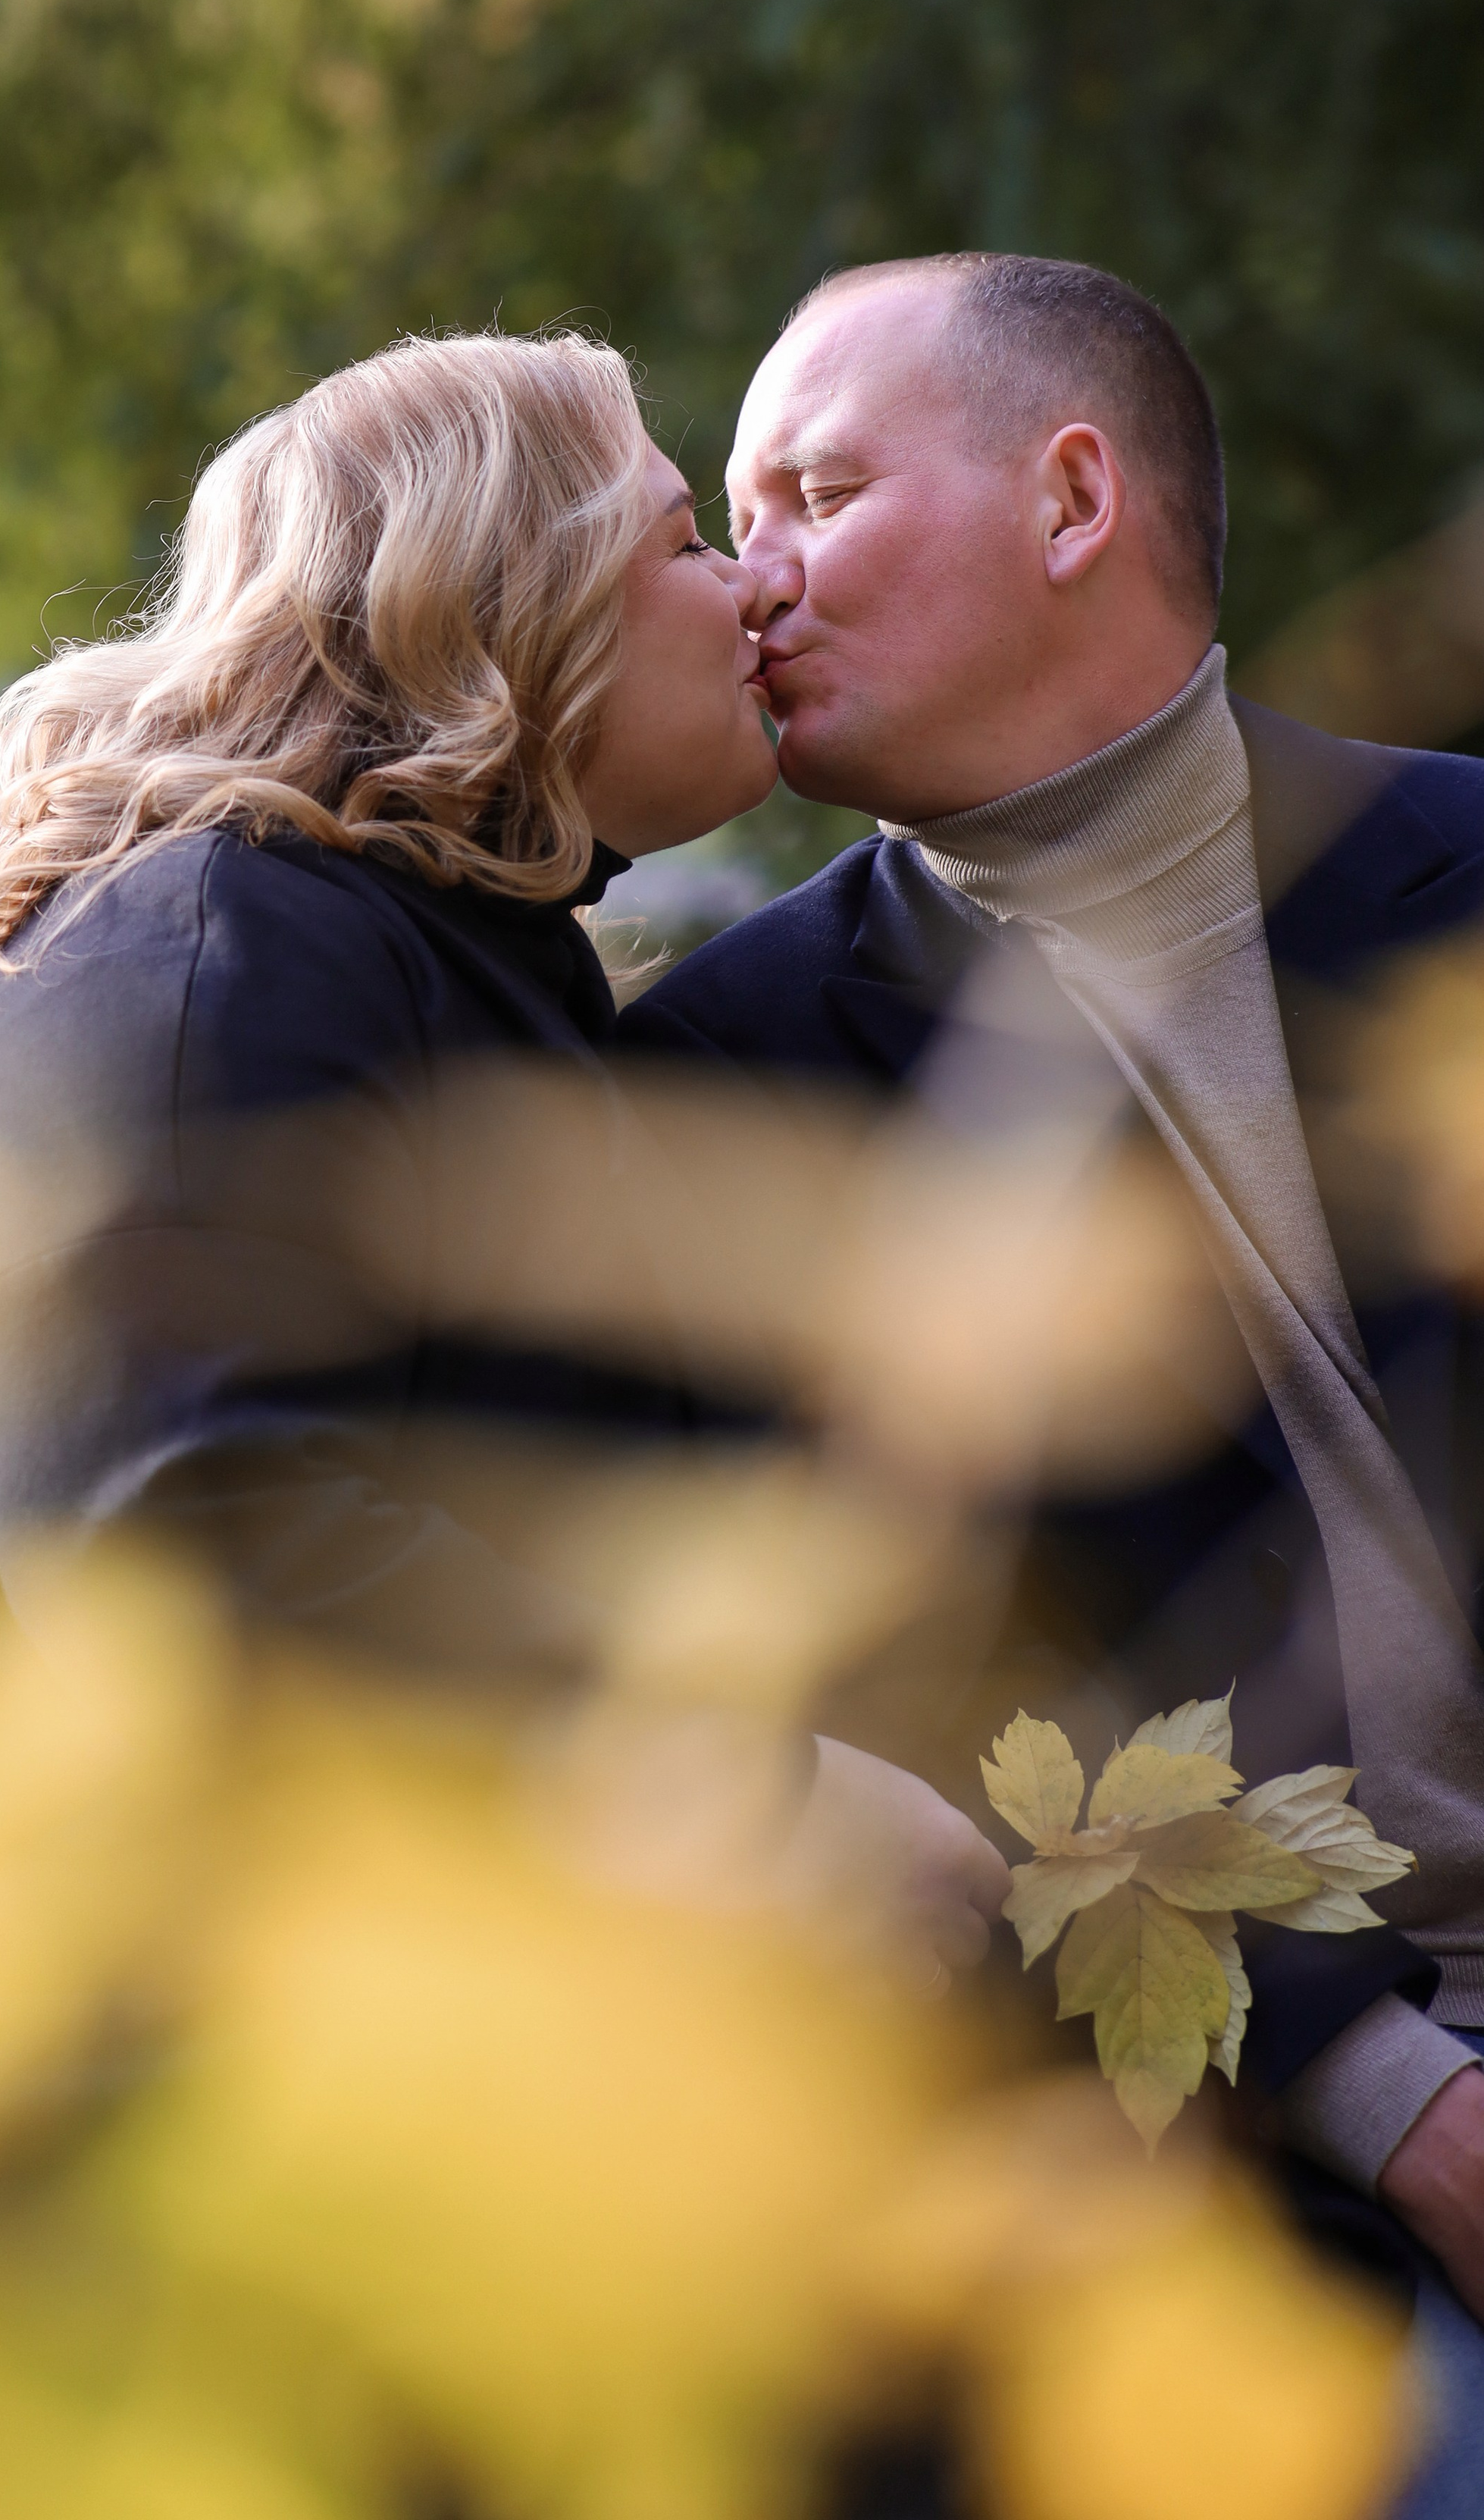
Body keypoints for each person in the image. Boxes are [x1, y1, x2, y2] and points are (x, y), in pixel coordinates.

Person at [0, 328, 1006, 2515]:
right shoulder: (223, 938)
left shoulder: (423, 966)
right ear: (501, 598)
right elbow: (190, 1525)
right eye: (688, 537)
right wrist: (783, 1792)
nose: (751, 590)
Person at [621, 253, 1484, 2498]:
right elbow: (908, 1704)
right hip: (1236, 2158)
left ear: (1075, 499)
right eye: (731, 520)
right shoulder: (723, 1088)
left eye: (814, 495)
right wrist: (1405, 2108)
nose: (749, 580)